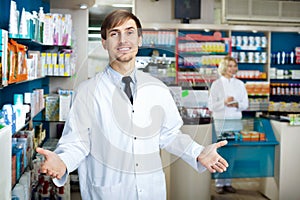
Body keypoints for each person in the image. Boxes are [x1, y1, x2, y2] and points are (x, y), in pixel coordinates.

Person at [36, 10, 229, 200]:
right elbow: (77, 142)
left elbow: (169, 135)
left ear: (139, 39)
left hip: (151, 191)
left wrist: (198, 152)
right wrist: (63, 162)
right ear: (104, 43)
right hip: (108, 192)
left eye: (129, 32)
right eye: (114, 34)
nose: (123, 40)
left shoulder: (157, 88)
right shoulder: (87, 91)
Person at [208, 56, 249, 194]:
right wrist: (224, 103)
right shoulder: (216, 84)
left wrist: (237, 104)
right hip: (221, 123)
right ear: (224, 67)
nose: (233, 69)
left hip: (236, 122)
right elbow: (211, 106)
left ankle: (228, 183)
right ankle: (220, 183)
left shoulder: (240, 84)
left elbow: (246, 104)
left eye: (235, 66)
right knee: (220, 153)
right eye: (230, 66)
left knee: (233, 154)